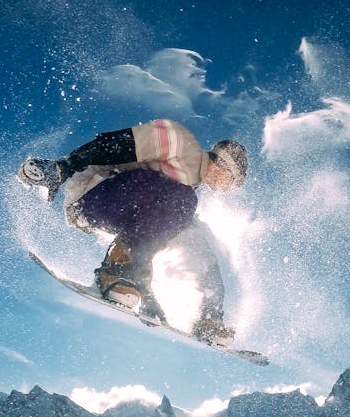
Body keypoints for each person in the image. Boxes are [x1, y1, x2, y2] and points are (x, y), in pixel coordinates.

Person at [17, 118, 248, 345]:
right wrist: (65, 167)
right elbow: (117, 143)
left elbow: (173, 245)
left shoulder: (187, 189)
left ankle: (208, 318)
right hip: (93, 197)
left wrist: (146, 292)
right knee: (184, 201)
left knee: (197, 242)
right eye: (233, 182)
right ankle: (115, 271)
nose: (229, 189)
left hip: (128, 209)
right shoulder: (180, 142)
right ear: (225, 167)